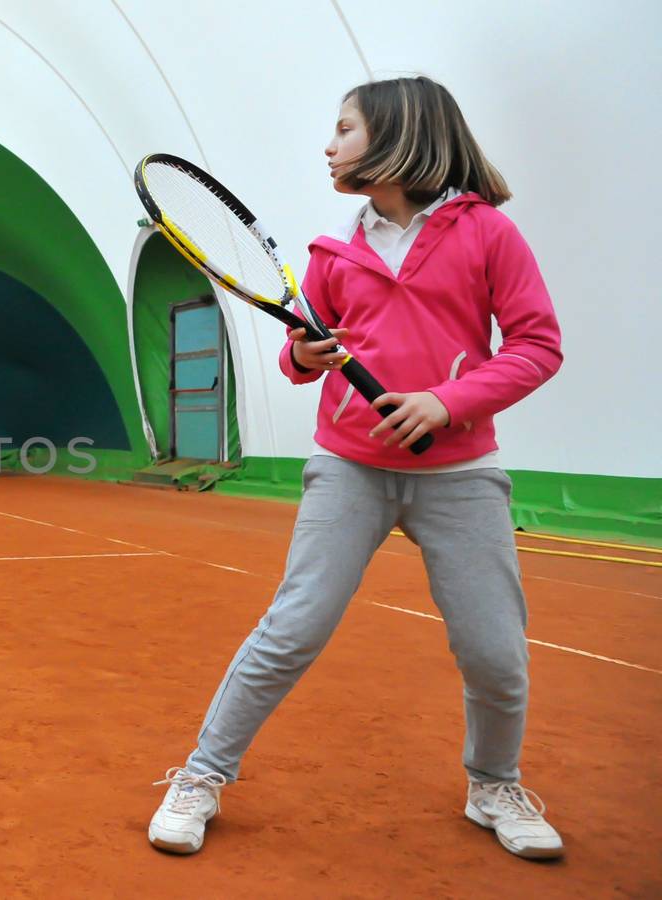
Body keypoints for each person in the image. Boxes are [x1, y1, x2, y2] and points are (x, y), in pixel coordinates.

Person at [148, 76, 564, 859]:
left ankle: (493, 783)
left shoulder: (489, 236)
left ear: (401, 136)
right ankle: (201, 776)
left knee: (495, 651)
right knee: (293, 628)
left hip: (461, 476)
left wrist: (447, 402)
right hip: (348, 469)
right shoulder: (332, 254)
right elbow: (304, 354)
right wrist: (302, 353)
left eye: (344, 129)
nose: (329, 145)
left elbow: (538, 345)